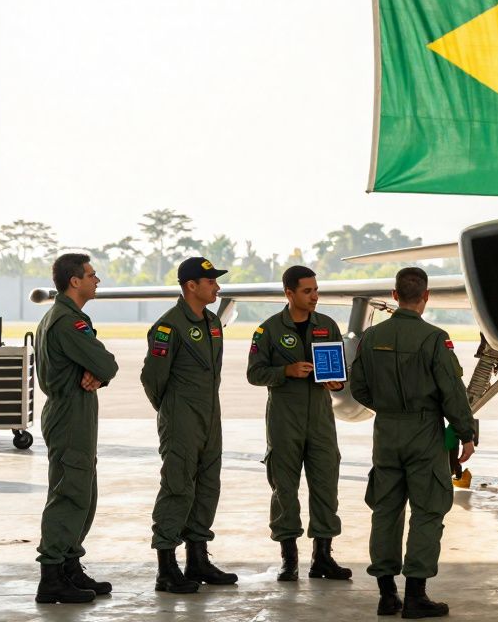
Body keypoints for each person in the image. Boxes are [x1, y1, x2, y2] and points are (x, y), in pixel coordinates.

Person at [349, 267, 476, 618]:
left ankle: (387, 595)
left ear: (394, 295)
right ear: (426, 296)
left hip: (386, 432)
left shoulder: (371, 337)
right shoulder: (434, 338)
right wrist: (466, 432)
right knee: (428, 511)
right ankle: (416, 595)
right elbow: (452, 392)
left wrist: (389, 409)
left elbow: (358, 388)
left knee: (385, 511)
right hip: (424, 434)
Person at [247, 265, 352, 582]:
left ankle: (323, 557)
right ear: (289, 293)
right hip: (284, 418)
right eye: (307, 291)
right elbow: (254, 374)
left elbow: (340, 371)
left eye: (316, 290)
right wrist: (285, 372)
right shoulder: (267, 331)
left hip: (320, 418)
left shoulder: (328, 326)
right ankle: (288, 559)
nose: (314, 296)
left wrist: (336, 383)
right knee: (285, 488)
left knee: (325, 485)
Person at [140, 257, 237, 593]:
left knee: (208, 485)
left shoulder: (212, 322)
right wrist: (171, 410)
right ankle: (166, 568)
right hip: (181, 418)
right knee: (178, 486)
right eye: (210, 282)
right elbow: (152, 379)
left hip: (211, 417)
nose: (217, 287)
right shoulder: (168, 327)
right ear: (191, 286)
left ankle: (197, 559)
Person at [33, 253, 120, 604]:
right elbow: (107, 362)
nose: (96, 280)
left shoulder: (65, 318)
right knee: (69, 494)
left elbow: (99, 368)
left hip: (75, 411)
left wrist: (96, 375)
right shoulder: (68, 322)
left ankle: (69, 566)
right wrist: (100, 370)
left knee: (83, 492)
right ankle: (51, 576)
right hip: (70, 413)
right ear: (75, 281)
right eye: (91, 274)